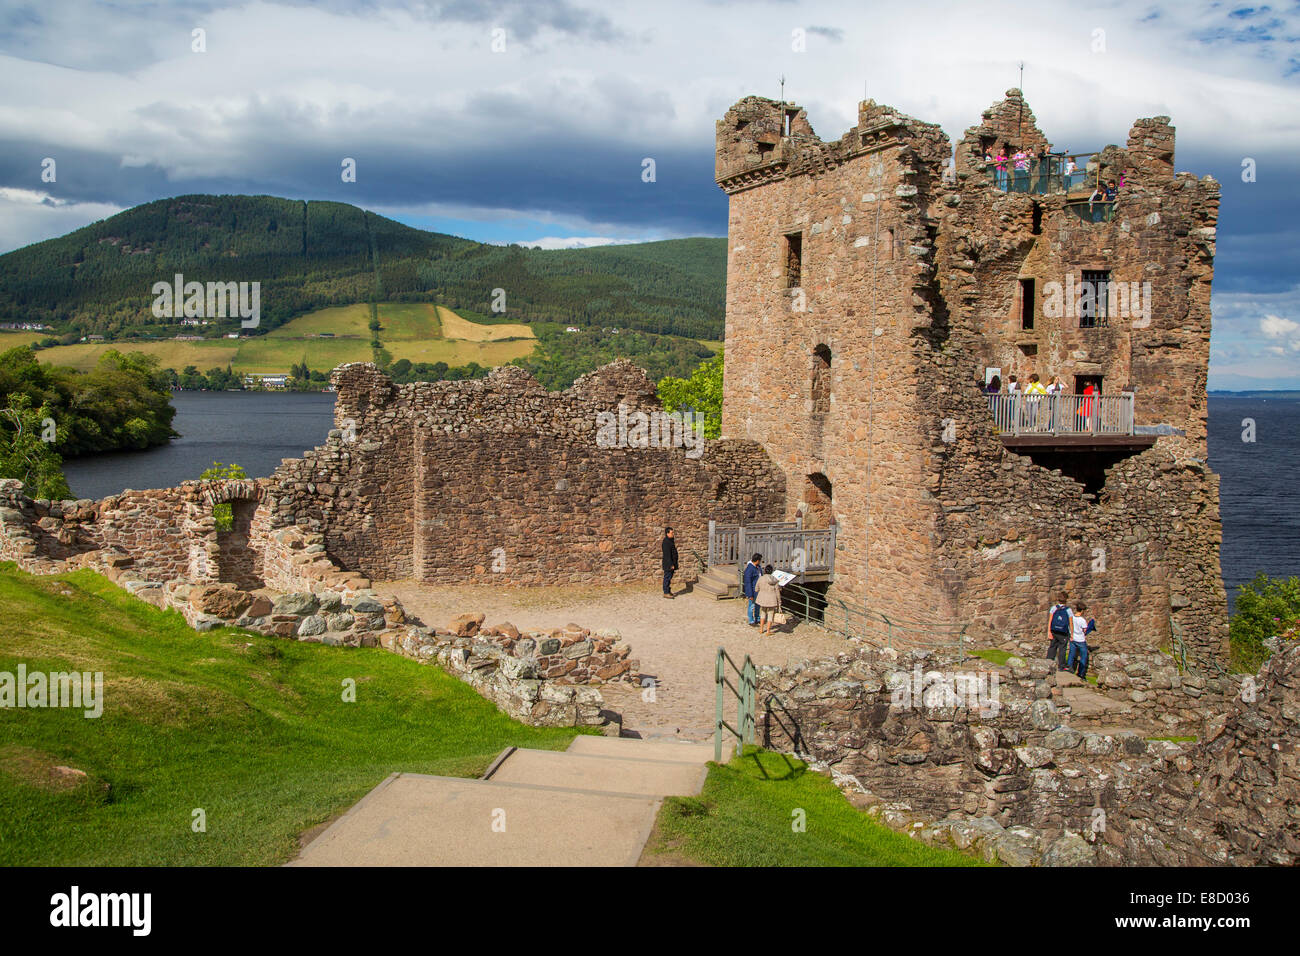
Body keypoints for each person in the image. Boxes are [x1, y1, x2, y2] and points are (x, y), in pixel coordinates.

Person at [1066, 602, 1096, 678]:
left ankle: (1069, 668)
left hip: (1073, 638)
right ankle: (1081, 673)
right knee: (1084, 656)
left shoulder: (1072, 617)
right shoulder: (1082, 620)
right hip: (1080, 640)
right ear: (1082, 611)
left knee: (1071, 654)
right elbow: (1085, 630)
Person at [1046, 592, 1073, 671]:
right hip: (1063, 633)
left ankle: (1048, 663)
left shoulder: (1054, 608)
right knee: (1062, 649)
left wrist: (1049, 632)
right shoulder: (1068, 610)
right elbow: (1071, 623)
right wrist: (1072, 634)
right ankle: (1061, 666)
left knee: (1052, 647)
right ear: (1066, 600)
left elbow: (1050, 621)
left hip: (1054, 631)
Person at [756, 563, 783, 634]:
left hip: (762, 599)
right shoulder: (775, 580)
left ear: (765, 571)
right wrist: (779, 601)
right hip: (772, 599)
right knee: (770, 615)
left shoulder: (761, 578)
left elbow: (756, 589)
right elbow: (777, 592)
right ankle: (768, 631)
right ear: (772, 571)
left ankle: (761, 629)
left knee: (762, 613)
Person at [742, 553, 763, 626]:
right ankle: (751, 620)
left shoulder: (757, 567)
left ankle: (757, 618)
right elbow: (748, 583)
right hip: (753, 590)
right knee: (751, 606)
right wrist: (750, 594)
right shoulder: (749, 569)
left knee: (757, 605)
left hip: (758, 590)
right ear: (757, 560)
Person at [660, 527, 678, 599]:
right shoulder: (666, 542)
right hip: (668, 564)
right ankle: (666, 592)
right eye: (671, 533)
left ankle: (668, 590)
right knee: (667, 577)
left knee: (669, 577)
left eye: (673, 532)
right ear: (667, 533)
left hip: (672, 563)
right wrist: (671, 564)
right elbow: (667, 555)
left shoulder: (670, 540)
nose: (673, 534)